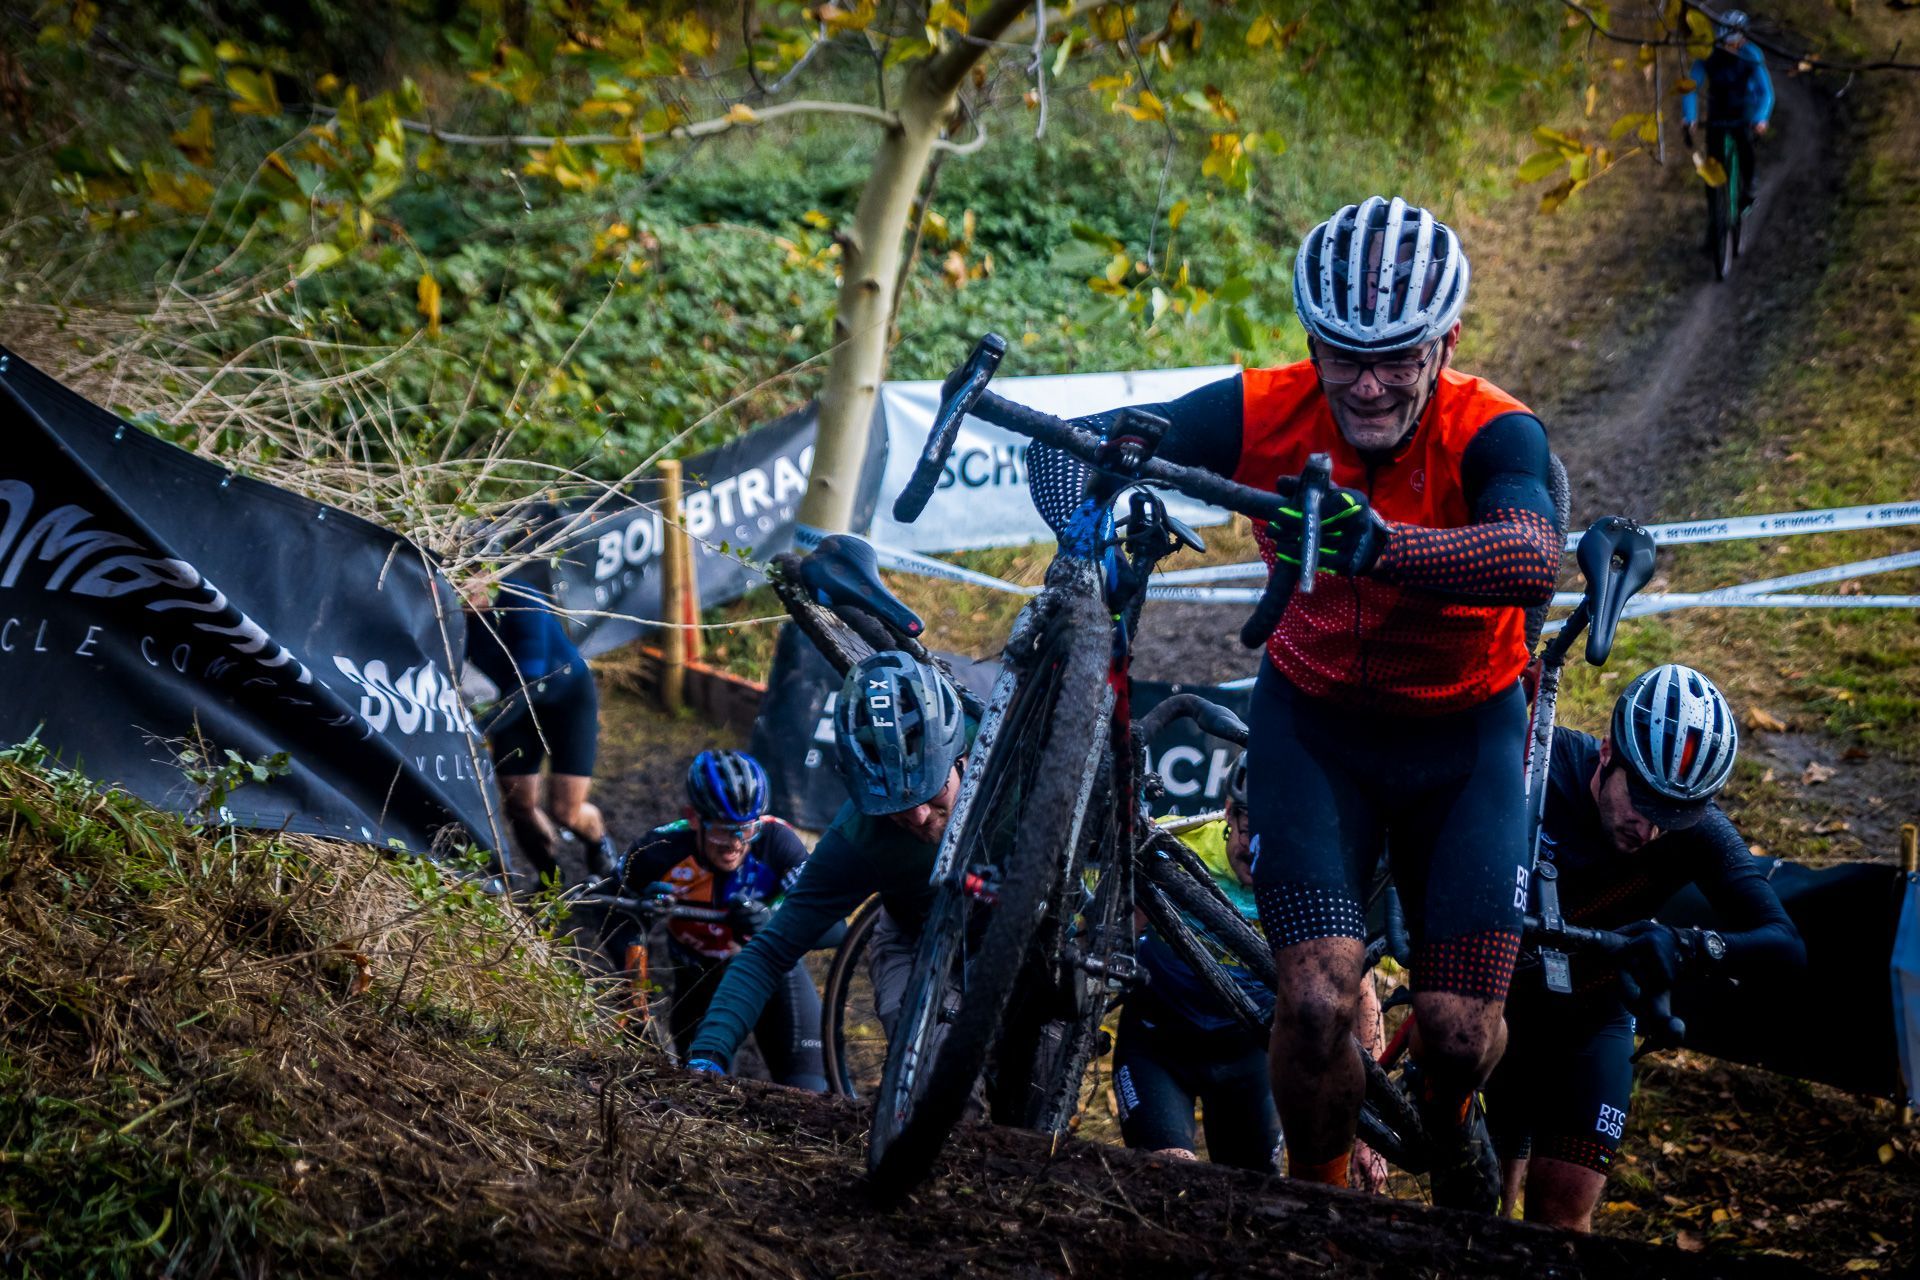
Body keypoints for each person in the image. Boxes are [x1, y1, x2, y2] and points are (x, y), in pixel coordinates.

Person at [1062, 196, 1560, 1209]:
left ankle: (1451, 1118)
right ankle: (1319, 1205)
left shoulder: (1492, 427)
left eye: (1398, 358)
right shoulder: (1265, 409)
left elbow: (1531, 554)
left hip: (1464, 733)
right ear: (1311, 343)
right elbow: (1079, 447)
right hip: (1318, 724)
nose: (1369, 384)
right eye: (1344, 356)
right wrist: (1083, 523)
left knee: (1460, 1031)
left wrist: (1386, 545)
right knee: (1319, 1001)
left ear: (1446, 343)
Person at [1487, 665, 1805, 1230]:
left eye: (1673, 817)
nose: (1651, 830)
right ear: (1608, 753)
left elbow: (1785, 944)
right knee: (1478, 1209)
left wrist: (1688, 944)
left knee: (1559, 1219)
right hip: (1496, 1002)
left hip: (1592, 1021)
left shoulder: (1695, 829)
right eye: (1643, 802)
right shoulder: (1540, 763)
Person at [685, 651, 972, 1076]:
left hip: (1021, 925)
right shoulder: (859, 837)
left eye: (932, 791)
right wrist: (708, 1054)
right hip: (920, 936)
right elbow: (771, 951)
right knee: (935, 1077)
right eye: (893, 804)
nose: (917, 815)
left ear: (961, 757)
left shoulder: (1009, 750)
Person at [1124, 753, 1388, 1188]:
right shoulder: (1177, 845)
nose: (1258, 850)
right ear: (1229, 812)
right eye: (1250, 831)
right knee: (1169, 1178)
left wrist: (1367, 1137)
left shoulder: (1311, 879)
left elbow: (1361, 999)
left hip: (1251, 1060)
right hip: (1157, 1047)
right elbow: (1111, 940)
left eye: (1275, 838)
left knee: (1251, 1198)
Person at [615, 749, 828, 1092]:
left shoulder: (778, 841)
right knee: (706, 1093)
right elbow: (612, 915)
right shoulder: (657, 851)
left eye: (746, 829)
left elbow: (825, 921)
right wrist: (635, 990)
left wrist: (771, 922)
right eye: (722, 831)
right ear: (693, 818)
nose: (735, 844)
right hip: (697, 982)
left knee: (813, 1090)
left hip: (771, 973)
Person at [464, 567, 615, 885]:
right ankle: (550, 877)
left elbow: (532, 681)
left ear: (487, 575)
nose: (461, 593)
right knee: (518, 804)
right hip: (515, 703)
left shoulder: (520, 599)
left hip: (565, 699)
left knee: (566, 810)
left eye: (467, 584)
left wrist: (480, 726)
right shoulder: (454, 615)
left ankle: (599, 846)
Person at [1680, 10, 1774, 217]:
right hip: (1718, 110)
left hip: (1744, 110)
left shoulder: (1751, 54)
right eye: (1724, 44)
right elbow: (1690, 87)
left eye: (1733, 44)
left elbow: (1765, 92)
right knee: (1712, 163)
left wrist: (1760, 119)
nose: (1729, 48)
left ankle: (1749, 186)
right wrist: (1690, 117)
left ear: (1743, 39)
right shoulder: (1708, 54)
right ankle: (1714, 218)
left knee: (1744, 142)